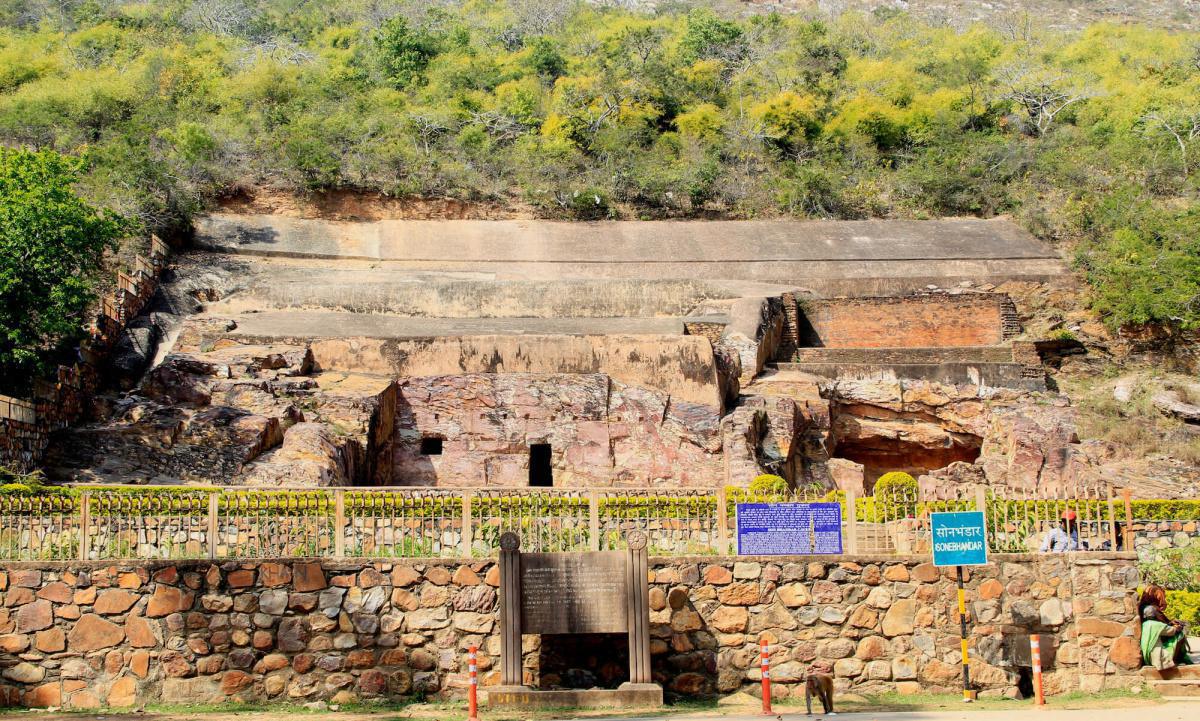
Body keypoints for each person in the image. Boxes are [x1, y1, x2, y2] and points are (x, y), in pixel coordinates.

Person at [1139, 584, 1191, 669]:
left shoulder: (1143, 612)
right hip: (1158, 657)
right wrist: (1176, 627)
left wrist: (1170, 622)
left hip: (1147, 655)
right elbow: (1166, 629)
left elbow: (1163, 624)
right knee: (1180, 636)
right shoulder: (1152, 611)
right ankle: (1175, 659)